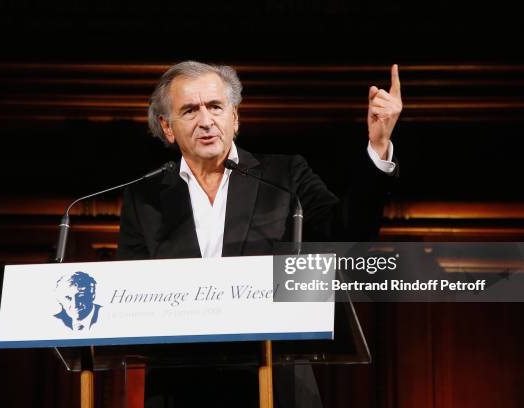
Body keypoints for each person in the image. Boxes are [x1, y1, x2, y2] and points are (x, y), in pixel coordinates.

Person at [117, 61, 402, 407]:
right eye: (190, 110)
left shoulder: (284, 177)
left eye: (215, 107)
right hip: (179, 386)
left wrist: (378, 147)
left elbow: (347, 234)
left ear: (234, 118)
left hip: (274, 382)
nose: (206, 121)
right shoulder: (144, 198)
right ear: (167, 127)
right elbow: (129, 297)